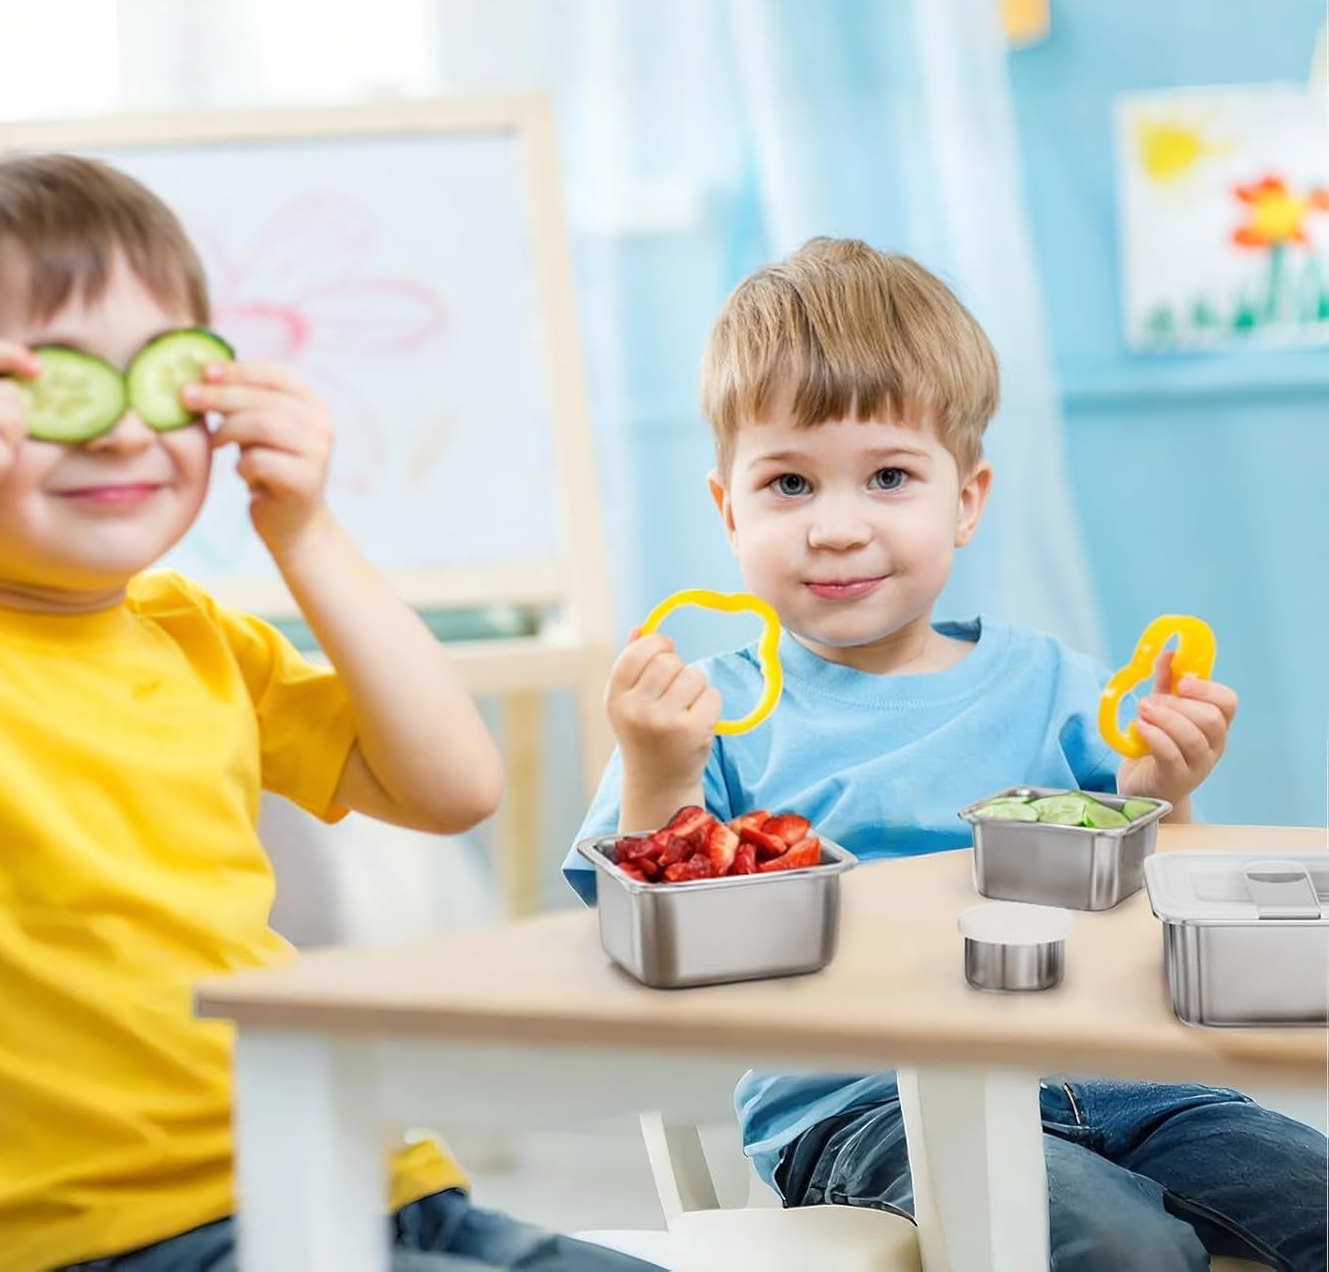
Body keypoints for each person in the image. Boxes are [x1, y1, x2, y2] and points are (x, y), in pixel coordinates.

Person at [0, 154, 660, 1272]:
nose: (123, 432)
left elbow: (452, 786)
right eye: (48, 390)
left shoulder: (192, 631)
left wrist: (305, 531)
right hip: (135, 1241)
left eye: (158, 381)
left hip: (365, 1175)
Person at [564, 236, 1326, 1271]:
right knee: (1115, 1246)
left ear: (964, 499)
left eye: (887, 476)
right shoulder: (710, 713)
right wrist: (657, 770)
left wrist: (1164, 797)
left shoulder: (1060, 687)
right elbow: (638, 940)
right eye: (789, 483)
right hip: (863, 1106)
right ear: (726, 508)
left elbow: (1152, 916)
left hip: (1127, 1077)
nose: (836, 527)